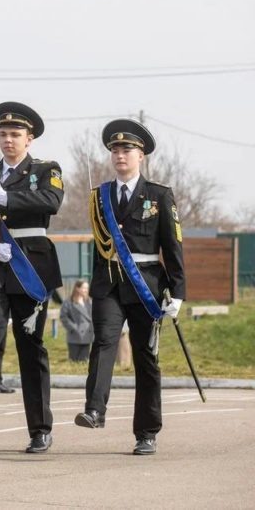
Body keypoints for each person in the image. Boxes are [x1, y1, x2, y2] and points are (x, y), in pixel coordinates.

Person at [0, 102, 63, 455]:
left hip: (30, 266)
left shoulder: (46, 169)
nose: (8, 140)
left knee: (30, 347)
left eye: (15, 135)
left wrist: (8, 197)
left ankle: (40, 428)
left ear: (29, 139)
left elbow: (51, 201)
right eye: (2, 134)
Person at [76, 119, 185, 456]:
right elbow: (100, 248)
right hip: (108, 284)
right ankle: (95, 409)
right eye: (115, 150)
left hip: (147, 286)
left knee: (145, 357)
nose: (120, 155)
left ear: (141, 156)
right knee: (105, 341)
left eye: (127, 149)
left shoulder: (159, 195)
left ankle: (147, 432)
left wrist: (178, 292)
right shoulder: (100, 196)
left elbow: (173, 246)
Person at [61, 281, 93, 362]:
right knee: (74, 361)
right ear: (77, 288)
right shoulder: (68, 302)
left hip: (87, 335)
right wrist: (74, 328)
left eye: (87, 288)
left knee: (84, 361)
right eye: (84, 288)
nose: (86, 290)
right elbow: (64, 317)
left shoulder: (90, 301)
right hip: (75, 336)